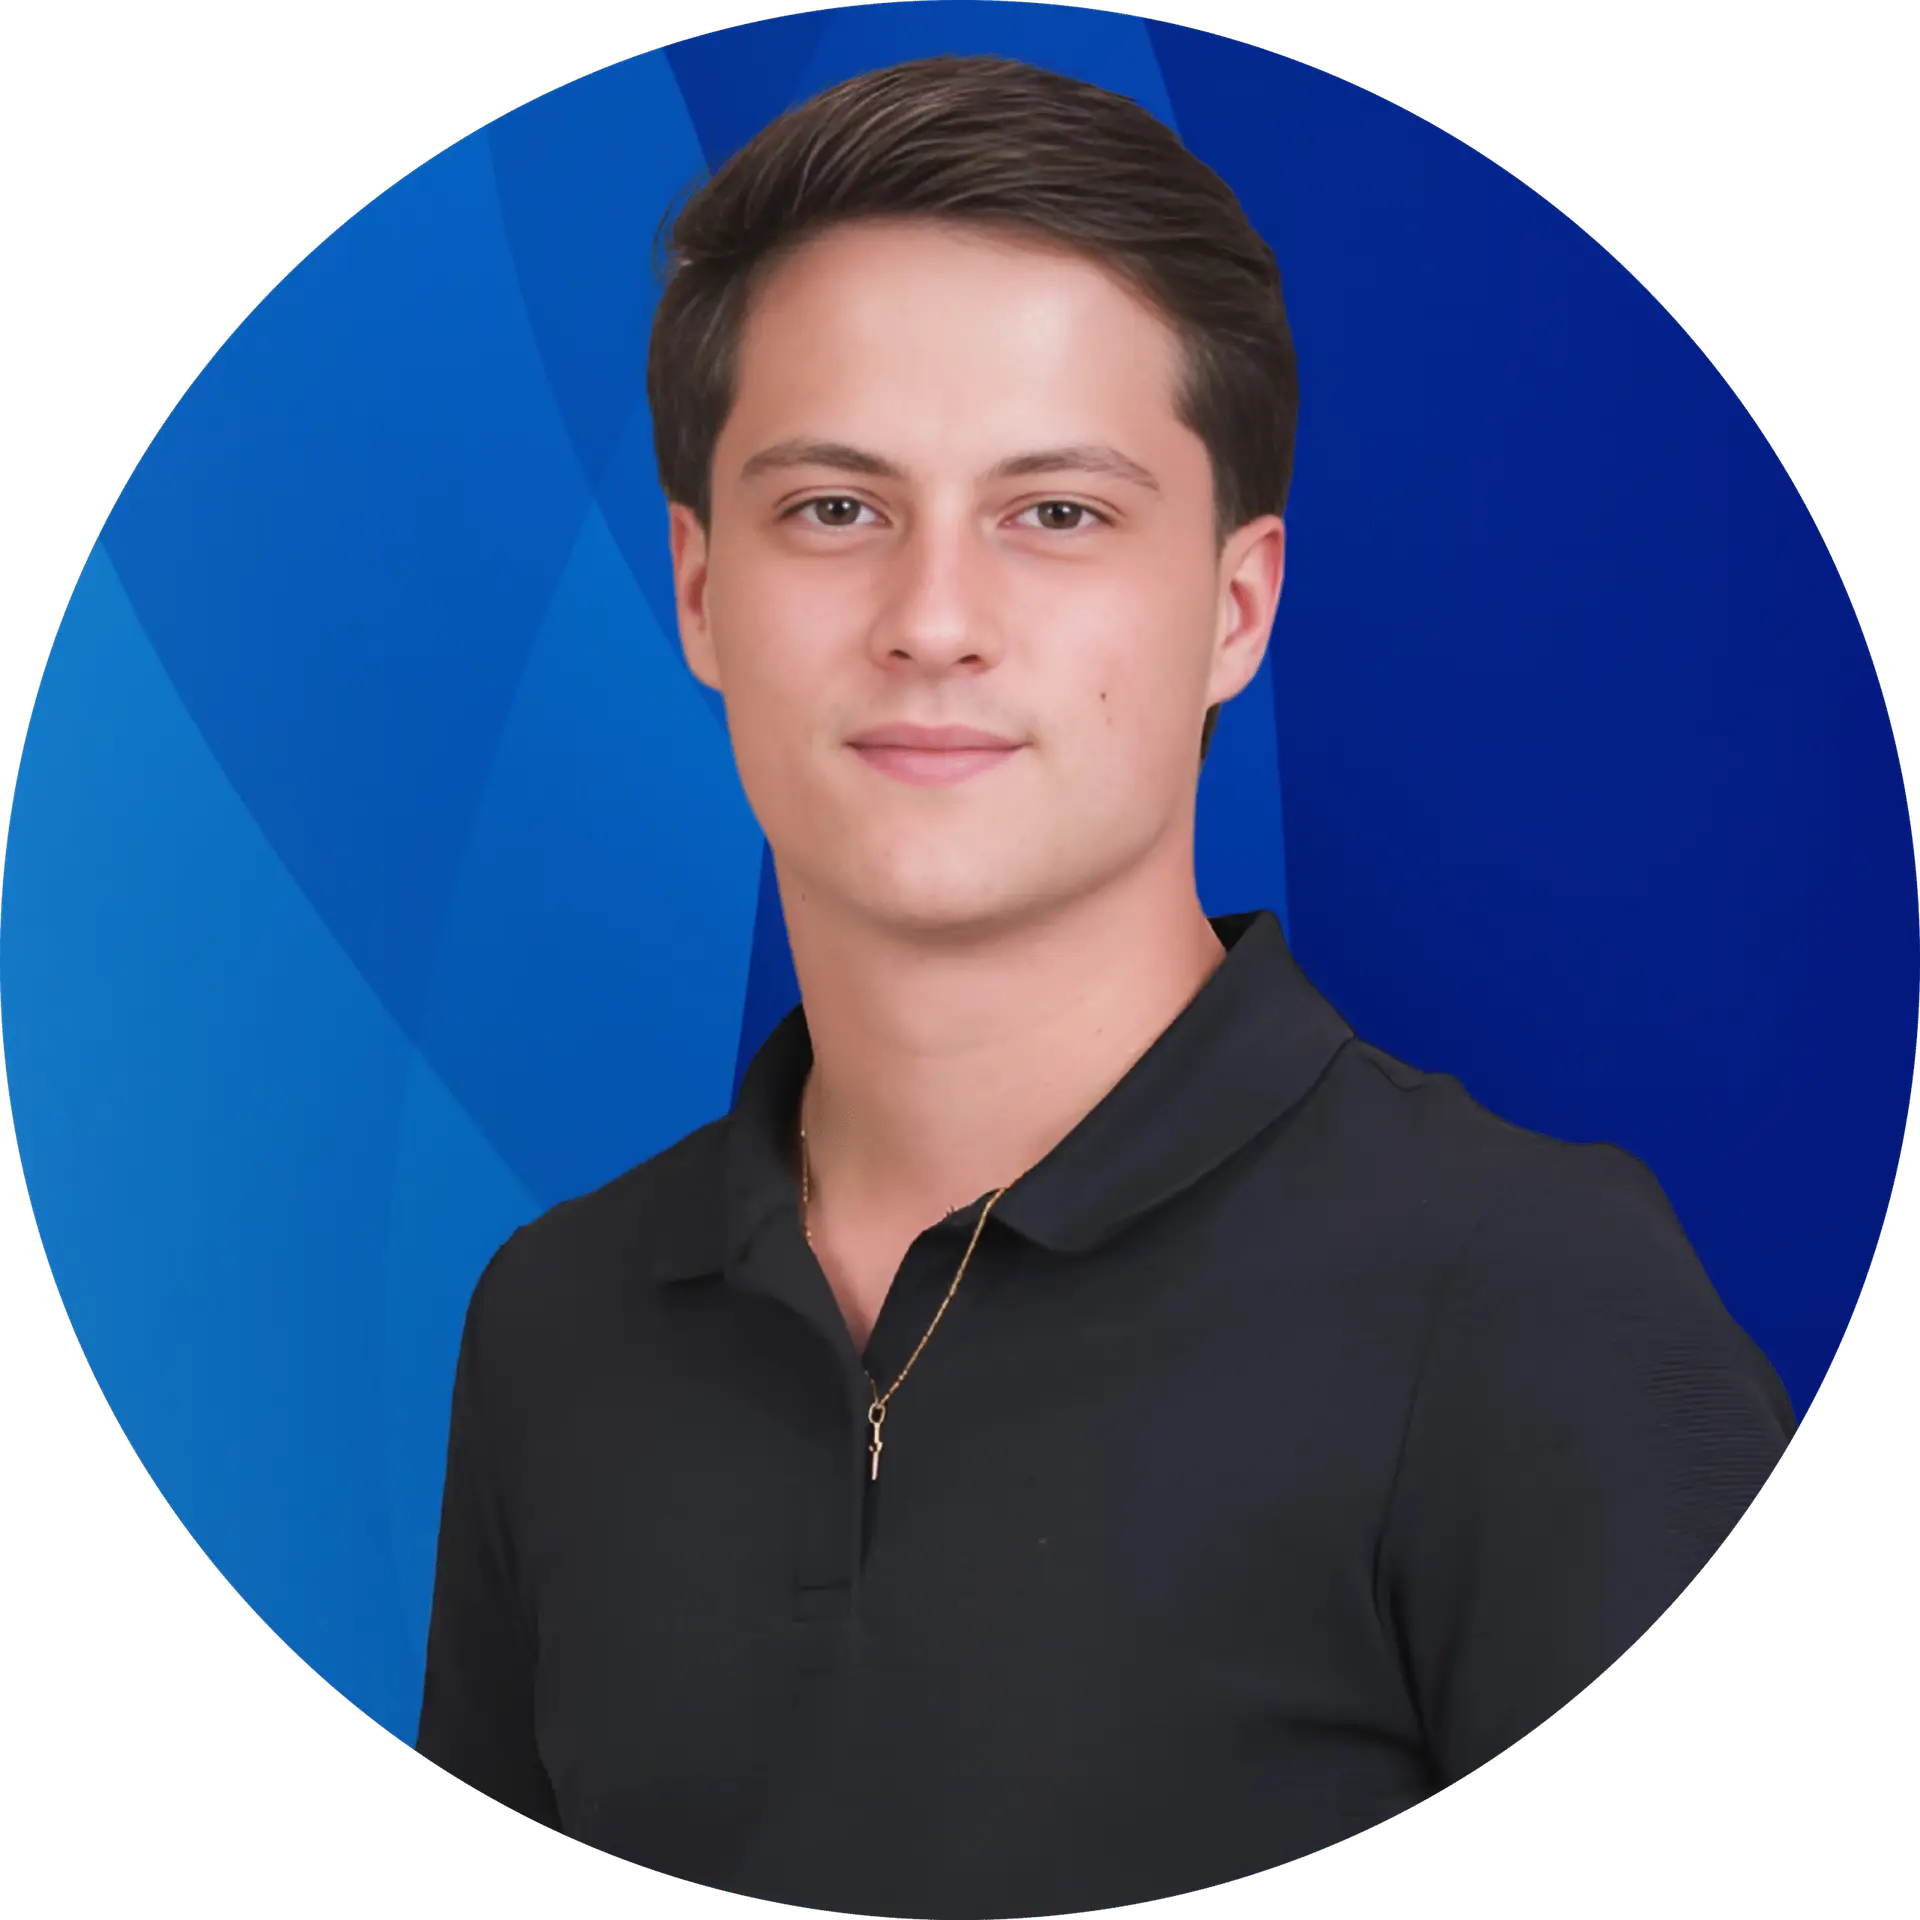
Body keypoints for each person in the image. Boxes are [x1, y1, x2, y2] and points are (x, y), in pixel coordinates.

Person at [416, 54, 1794, 1918]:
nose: (933, 618)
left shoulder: (1529, 1302)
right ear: (700, 589)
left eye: (1057, 513)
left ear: (1236, 607)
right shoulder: (556, 1326)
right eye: (833, 508)